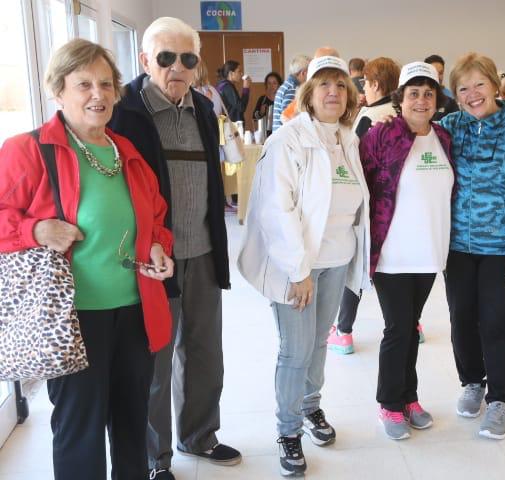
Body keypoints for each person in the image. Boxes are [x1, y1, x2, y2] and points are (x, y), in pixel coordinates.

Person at [0, 38, 174, 480]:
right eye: (84, 85)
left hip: (135, 311)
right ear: (57, 91)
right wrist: (35, 230)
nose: (98, 95)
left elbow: (155, 215)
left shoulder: (126, 151)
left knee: (133, 426)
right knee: (80, 432)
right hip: (71, 319)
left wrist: (158, 246)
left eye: (106, 84)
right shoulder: (29, 150)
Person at [108, 17, 237, 480]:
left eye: (187, 58)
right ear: (145, 60)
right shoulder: (123, 111)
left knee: (205, 354)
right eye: (165, 58)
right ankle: (154, 458)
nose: (176, 67)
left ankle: (199, 436)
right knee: (154, 361)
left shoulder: (201, 107)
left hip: (202, 252)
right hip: (150, 261)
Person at [238, 56, 369, 477]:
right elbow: (278, 210)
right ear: (308, 95)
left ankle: (311, 406)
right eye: (324, 84)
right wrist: (299, 271)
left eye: (341, 85)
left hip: (336, 260)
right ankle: (288, 429)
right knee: (295, 351)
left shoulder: (347, 138)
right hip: (298, 267)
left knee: (317, 344)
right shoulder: (288, 140)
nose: (333, 92)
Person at [440, 53, 505, 440]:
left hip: (501, 248)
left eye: (479, 85)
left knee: (496, 321)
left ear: (495, 85)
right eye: (463, 88)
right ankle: (472, 381)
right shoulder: (448, 128)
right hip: (456, 247)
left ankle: (500, 399)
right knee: (461, 318)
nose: (472, 94)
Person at [362, 62, 455, 440]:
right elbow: (363, 186)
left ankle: (409, 397)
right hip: (393, 253)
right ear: (400, 98)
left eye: (428, 94)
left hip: (430, 251)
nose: (421, 100)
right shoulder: (382, 135)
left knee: (411, 327)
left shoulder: (444, 137)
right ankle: (389, 402)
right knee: (398, 328)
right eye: (413, 93)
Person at [327, 56, 401, 355]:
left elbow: (353, 158)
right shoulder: (403, 112)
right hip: (399, 207)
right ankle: (412, 324)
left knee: (359, 266)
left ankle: (343, 330)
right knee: (395, 271)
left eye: (366, 83)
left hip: (371, 205)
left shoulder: (369, 116)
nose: (364, 89)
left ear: (375, 84)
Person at [272, 54, 311, 132]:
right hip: (284, 136)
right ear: (303, 73)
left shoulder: (286, 85)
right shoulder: (292, 88)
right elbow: (287, 118)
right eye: (310, 72)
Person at [424, 54, 459, 120]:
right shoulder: (419, 98)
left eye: (440, 73)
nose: (438, 77)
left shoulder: (451, 98)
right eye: (434, 73)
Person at [252, 71, 282, 138]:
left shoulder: (282, 99)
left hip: (280, 133)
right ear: (266, 85)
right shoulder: (262, 99)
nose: (271, 86)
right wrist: (260, 113)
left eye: (274, 83)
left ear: (279, 85)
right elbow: (254, 117)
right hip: (265, 135)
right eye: (269, 83)